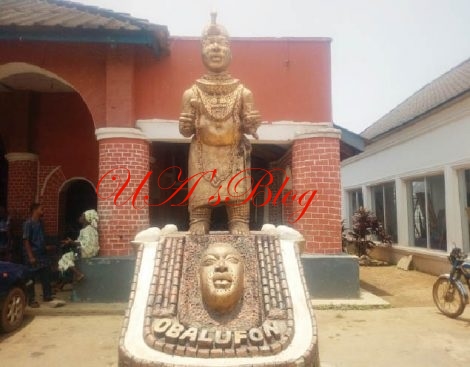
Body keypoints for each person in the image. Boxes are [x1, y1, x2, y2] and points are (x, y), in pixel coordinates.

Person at [178, 12, 261, 235]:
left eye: (222, 44)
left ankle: (239, 220)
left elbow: (251, 128)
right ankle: (199, 218)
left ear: (230, 51)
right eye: (210, 44)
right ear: (201, 51)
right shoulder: (191, 93)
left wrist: (253, 123)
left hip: (233, 153)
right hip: (202, 152)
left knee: (238, 198)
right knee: (200, 198)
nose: (216, 48)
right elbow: (186, 132)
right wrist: (185, 124)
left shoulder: (243, 92)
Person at [23, 203, 53, 307]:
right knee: (31, 278)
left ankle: (47, 295)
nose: (43, 211)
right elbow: (26, 241)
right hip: (33, 254)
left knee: (45, 275)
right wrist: (31, 256)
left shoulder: (40, 223)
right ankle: (31, 300)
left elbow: (40, 238)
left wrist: (45, 247)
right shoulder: (28, 223)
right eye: (41, 209)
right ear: (35, 210)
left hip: (42, 254)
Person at [58, 209, 99, 284]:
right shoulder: (90, 229)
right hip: (91, 252)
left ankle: (78, 274)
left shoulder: (87, 230)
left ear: (86, 219)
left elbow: (84, 243)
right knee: (70, 257)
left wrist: (72, 242)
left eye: (82, 216)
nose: (80, 217)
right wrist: (70, 242)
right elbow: (82, 241)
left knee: (65, 258)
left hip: (86, 252)